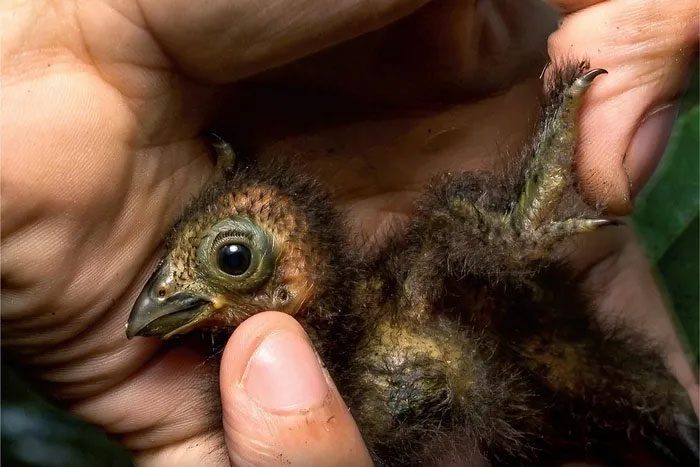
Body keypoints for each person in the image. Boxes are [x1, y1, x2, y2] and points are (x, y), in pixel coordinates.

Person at [2, 0, 697, 465]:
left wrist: (91, 40)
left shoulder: (424, 270)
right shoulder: (371, 347)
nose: (160, 302)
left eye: (233, 256)